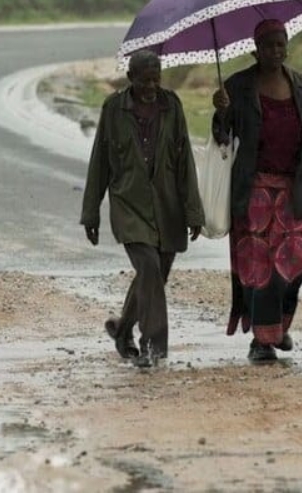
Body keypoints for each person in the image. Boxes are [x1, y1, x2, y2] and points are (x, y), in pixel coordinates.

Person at [212, 19, 302, 363]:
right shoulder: (238, 87)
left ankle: (277, 325)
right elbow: (221, 139)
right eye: (268, 46)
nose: (275, 52)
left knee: (298, 259)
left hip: (293, 190)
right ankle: (262, 341)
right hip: (254, 191)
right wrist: (221, 112)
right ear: (255, 50)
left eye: (280, 45)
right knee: (261, 268)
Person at [81, 50, 205, 368]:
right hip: (128, 204)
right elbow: (100, 161)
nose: (152, 85)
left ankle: (123, 331)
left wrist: (193, 211)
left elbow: (185, 161)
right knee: (148, 267)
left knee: (156, 273)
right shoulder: (114, 109)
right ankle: (154, 345)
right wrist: (91, 212)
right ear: (130, 79)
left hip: (168, 206)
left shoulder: (171, 105)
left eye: (156, 78)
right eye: (145, 79)